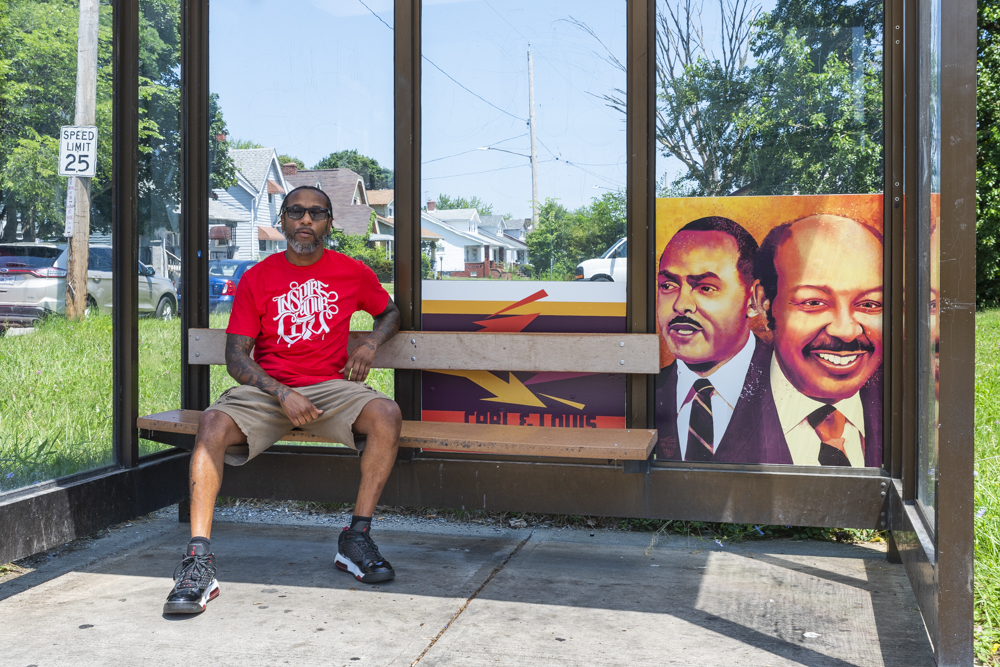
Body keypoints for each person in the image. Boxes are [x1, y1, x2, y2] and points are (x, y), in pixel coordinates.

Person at [163, 185, 403, 615]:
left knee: (386, 413)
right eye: (296, 212)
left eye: (316, 213)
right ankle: (198, 561)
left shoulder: (352, 271)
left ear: (329, 222)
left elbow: (390, 311)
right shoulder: (258, 277)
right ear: (283, 221)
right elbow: (235, 357)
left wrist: (369, 345)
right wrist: (282, 392)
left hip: (331, 388)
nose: (305, 221)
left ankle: (356, 538)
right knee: (212, 424)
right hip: (270, 388)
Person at [713, 214, 883, 467]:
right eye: (813, 302)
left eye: (869, 304)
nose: (846, 331)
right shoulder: (711, 407)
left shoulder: (910, 406)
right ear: (764, 302)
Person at [654, 216, 764, 461]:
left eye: (706, 287)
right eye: (668, 285)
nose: (681, 305)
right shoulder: (646, 393)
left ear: (754, 300)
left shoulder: (793, 386)